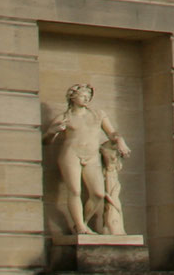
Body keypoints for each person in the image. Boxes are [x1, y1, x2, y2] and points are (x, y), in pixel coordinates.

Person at [45, 83, 131, 236]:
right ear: (73, 96)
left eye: (89, 96)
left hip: (92, 156)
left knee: (98, 193)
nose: (87, 98)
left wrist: (120, 141)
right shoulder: (65, 117)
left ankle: (82, 223)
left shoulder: (98, 114)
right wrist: (52, 131)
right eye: (83, 95)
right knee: (75, 191)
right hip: (71, 154)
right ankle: (80, 227)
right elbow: (46, 140)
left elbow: (112, 133)